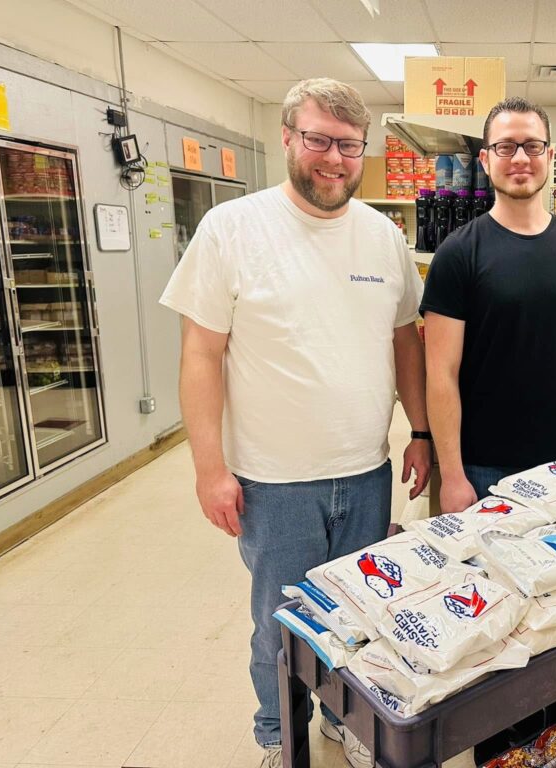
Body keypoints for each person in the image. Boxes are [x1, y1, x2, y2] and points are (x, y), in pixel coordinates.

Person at [159, 78, 431, 768]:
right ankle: (280, 732)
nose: (334, 158)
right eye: (318, 140)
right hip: (273, 482)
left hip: (366, 471)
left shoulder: (383, 237)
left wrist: (421, 432)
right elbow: (200, 354)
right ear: (287, 137)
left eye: (349, 145)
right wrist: (208, 469)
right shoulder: (231, 228)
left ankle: (345, 719)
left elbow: (406, 343)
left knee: (360, 615)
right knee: (280, 626)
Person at [420, 96, 556, 761]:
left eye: (531, 145)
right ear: (486, 160)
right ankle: (494, 751)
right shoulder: (459, 253)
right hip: (480, 470)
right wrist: (452, 476)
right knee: (490, 624)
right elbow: (440, 373)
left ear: (549, 155)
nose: (520, 158)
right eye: (505, 146)